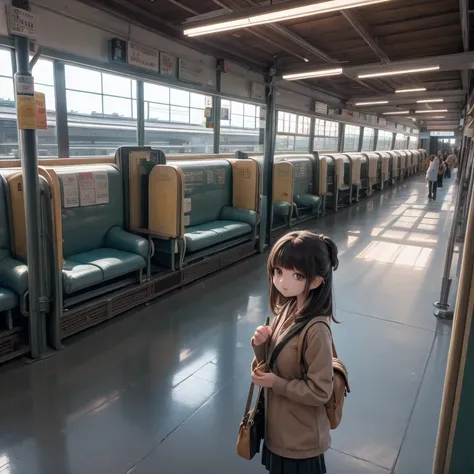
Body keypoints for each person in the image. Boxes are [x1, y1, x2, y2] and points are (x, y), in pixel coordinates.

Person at [251, 230, 339, 474]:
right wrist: (262, 344)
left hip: (299, 440)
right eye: (278, 272)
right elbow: (275, 362)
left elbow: (320, 391)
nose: (282, 282)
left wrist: (276, 384)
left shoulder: (317, 330)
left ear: (316, 281)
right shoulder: (288, 307)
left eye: (296, 275)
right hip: (279, 430)